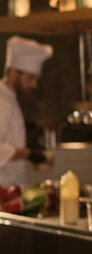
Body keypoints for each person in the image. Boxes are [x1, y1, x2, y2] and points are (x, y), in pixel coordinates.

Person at [0, 36, 53, 187]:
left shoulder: (10, 99)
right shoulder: (1, 101)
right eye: (31, 78)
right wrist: (29, 154)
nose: (34, 85)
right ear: (14, 73)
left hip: (10, 189)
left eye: (36, 79)